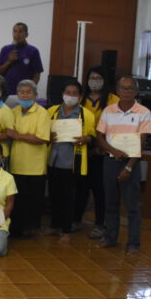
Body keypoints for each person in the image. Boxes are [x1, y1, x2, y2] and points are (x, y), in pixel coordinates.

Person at [95, 75, 151, 256]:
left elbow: (141, 143)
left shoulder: (143, 112)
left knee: (132, 206)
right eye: (123, 88)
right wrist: (113, 150)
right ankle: (110, 238)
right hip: (110, 161)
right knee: (110, 203)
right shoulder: (108, 111)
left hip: (131, 163)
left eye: (130, 88)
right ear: (117, 90)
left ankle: (133, 243)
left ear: (136, 91)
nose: (126, 91)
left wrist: (129, 167)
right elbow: (100, 137)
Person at [46, 80, 96, 243]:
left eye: (75, 93)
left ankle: (66, 230)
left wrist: (86, 139)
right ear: (62, 94)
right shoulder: (52, 111)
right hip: (53, 159)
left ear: (80, 97)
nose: (71, 96)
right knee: (54, 194)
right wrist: (48, 136)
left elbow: (93, 137)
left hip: (72, 161)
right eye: (68, 92)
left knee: (68, 197)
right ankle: (54, 225)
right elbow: (43, 132)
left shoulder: (86, 115)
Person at [75, 66, 120, 237]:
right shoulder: (80, 98)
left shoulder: (113, 100)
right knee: (81, 187)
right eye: (91, 78)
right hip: (82, 148)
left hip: (103, 150)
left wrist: (102, 146)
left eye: (98, 78)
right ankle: (76, 220)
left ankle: (100, 223)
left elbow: (117, 127)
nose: (94, 81)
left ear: (105, 80)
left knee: (100, 189)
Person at [7, 80, 51, 238]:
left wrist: (18, 136)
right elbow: (8, 132)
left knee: (34, 199)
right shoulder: (13, 111)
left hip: (35, 165)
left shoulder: (42, 113)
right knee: (19, 199)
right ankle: (18, 229)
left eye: (28, 92)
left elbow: (41, 138)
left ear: (35, 94)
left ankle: (33, 229)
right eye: (21, 92)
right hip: (17, 163)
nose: (25, 95)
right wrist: (24, 136)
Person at [0, 23, 44, 107]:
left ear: (26, 34)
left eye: (20, 31)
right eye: (15, 31)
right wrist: (9, 61)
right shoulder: (5, 49)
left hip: (25, 95)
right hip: (6, 94)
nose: (17, 34)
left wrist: (29, 91)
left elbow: (37, 75)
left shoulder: (33, 51)